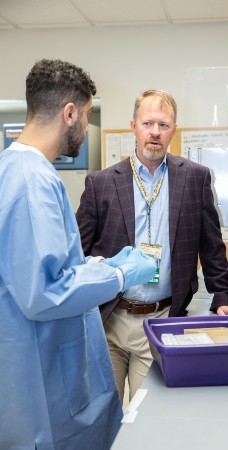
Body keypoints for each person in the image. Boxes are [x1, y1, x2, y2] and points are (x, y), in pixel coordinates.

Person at [0, 60, 157, 450]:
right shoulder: (32, 180)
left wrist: (90, 266)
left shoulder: (12, 169)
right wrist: (119, 277)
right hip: (44, 375)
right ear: (70, 113)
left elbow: (27, 267)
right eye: (87, 117)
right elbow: (45, 292)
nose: (87, 129)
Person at [76, 89, 228, 404]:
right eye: (148, 123)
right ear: (133, 126)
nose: (155, 132)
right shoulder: (100, 183)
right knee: (106, 416)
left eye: (163, 124)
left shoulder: (195, 178)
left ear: (174, 129)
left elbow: (211, 245)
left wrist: (224, 295)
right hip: (109, 320)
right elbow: (79, 252)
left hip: (162, 320)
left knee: (149, 416)